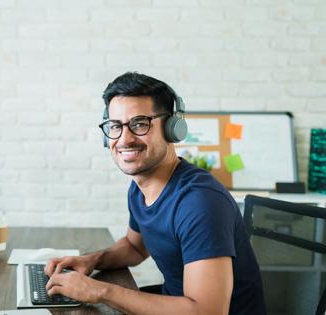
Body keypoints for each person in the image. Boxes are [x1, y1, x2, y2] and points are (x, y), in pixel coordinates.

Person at [44, 72, 266, 315]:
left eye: (140, 124)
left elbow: (208, 312)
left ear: (172, 129)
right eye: (116, 126)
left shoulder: (201, 202)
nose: (124, 139)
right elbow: (134, 247)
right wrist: (92, 260)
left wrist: (100, 291)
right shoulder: (139, 189)